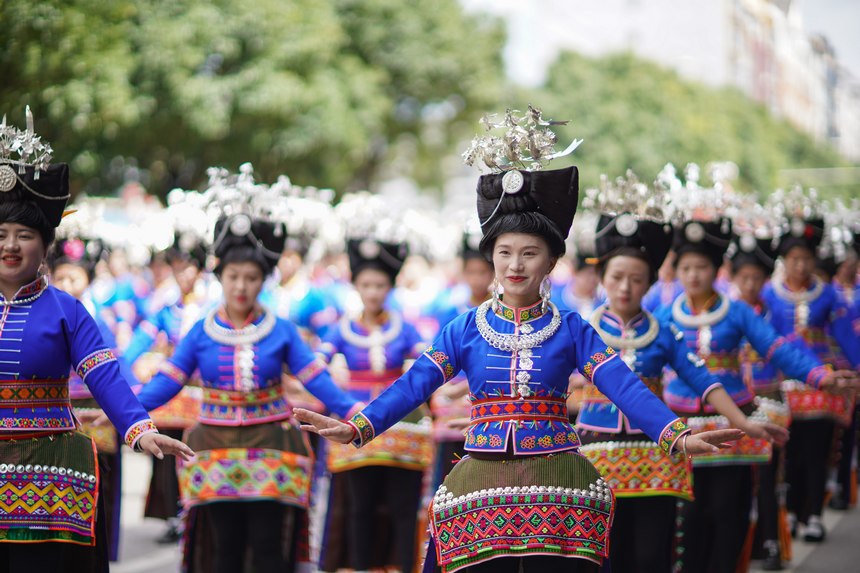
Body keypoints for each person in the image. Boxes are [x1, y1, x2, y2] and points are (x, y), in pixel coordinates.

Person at [295, 108, 742, 573]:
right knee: (448, 529)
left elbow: (623, 386)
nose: (516, 265)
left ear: (551, 263)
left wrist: (676, 436)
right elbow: (414, 386)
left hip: (558, 471)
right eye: (505, 252)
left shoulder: (572, 327)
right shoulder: (465, 327)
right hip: (481, 471)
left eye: (530, 253)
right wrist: (358, 427)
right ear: (491, 258)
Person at [135, 165, 359, 573]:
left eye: (252, 277)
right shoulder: (201, 332)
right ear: (219, 276)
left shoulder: (282, 330)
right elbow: (169, 379)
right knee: (225, 551)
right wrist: (127, 410)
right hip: (214, 444)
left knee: (270, 549)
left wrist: (355, 413)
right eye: (233, 276)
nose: (241, 286)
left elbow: (316, 378)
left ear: (264, 280)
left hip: (273, 443)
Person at [0, 107, 192, 572]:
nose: (10, 245)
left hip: (51, 471)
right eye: (1, 233)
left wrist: (141, 430)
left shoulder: (67, 309)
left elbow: (105, 377)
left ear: (45, 245)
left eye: (24, 235)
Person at [576, 171, 787, 573]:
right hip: (594, 454)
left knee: (653, 555)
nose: (625, 288)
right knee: (606, 554)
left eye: (637, 279)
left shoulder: (662, 333)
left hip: (656, 450)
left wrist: (743, 420)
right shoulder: (579, 330)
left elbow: (702, 379)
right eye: (616, 277)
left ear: (652, 283)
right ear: (601, 278)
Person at [657, 166, 856, 573]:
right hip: (681, 422)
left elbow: (778, 348)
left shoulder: (737, 312)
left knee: (729, 515)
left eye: (701, 267)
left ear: (717, 271)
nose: (693, 275)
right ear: (677, 272)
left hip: (736, 419)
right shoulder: (664, 315)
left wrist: (819, 375)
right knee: (688, 520)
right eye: (685, 268)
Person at [316, 196, 430, 573]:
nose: (373, 292)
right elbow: (316, 364)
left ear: (390, 286)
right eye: (366, 284)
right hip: (354, 416)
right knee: (359, 508)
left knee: (401, 508)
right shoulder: (340, 328)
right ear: (356, 285)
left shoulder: (406, 327)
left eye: (380, 284)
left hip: (403, 423)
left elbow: (428, 366)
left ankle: (402, 566)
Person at [762, 186, 860, 542]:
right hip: (780, 383)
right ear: (784, 261)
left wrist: (855, 369)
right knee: (788, 454)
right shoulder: (769, 294)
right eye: (794, 259)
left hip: (820, 384)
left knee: (817, 451)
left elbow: (846, 336)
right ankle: (790, 513)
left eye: (806, 258)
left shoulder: (829, 293)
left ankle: (814, 514)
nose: (800, 265)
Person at [123, 189, 211, 543]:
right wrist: (131, 366)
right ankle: (176, 511)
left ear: (200, 268)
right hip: (174, 396)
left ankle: (200, 507)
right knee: (167, 453)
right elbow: (137, 344)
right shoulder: (167, 305)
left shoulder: (214, 305)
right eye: (176, 267)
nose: (182, 274)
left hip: (205, 395)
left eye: (187, 266)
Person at [728, 215, 791, 570]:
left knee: (767, 475)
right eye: (744, 278)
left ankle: (769, 540)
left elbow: (787, 349)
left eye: (756, 278)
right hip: (736, 401)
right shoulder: (727, 312)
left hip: (768, 398)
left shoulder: (774, 312)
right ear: (734, 279)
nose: (750, 283)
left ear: (765, 280)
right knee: (738, 479)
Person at [429, 223, 494, 486]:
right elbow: (440, 358)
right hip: (453, 398)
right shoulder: (450, 310)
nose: (478, 278)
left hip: (487, 397)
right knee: (449, 473)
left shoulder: (500, 311)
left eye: (484, 271)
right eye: (471, 272)